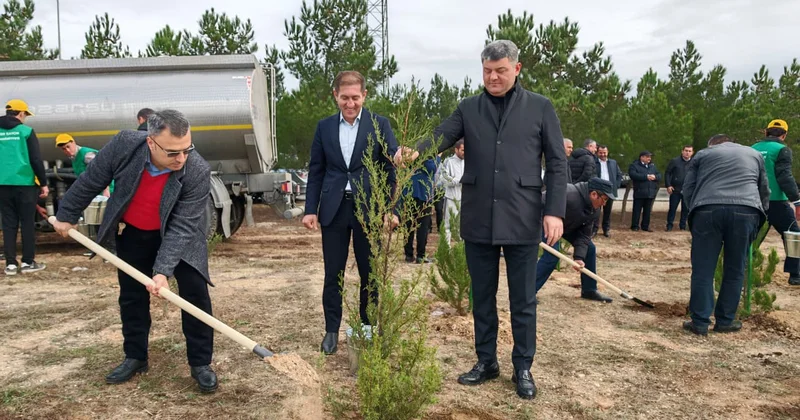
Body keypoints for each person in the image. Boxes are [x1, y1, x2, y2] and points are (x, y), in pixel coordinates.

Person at [397, 39, 567, 400]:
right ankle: (486, 361)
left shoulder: (540, 107)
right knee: (483, 297)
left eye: (500, 71)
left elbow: (556, 163)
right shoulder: (469, 108)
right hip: (479, 218)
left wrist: (554, 211)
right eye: (487, 71)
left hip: (523, 217)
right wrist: (415, 149)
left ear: (516, 69)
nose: (493, 77)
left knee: (523, 300)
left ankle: (523, 367)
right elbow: (441, 136)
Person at [51, 110, 219, 393]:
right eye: (173, 152)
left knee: (195, 295)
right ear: (151, 142)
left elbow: (182, 226)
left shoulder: (197, 169)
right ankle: (135, 356)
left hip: (182, 239)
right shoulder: (125, 145)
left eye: (186, 149)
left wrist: (163, 271)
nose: (181, 158)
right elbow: (92, 180)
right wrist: (66, 214)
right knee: (131, 296)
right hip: (136, 232)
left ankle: (200, 363)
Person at [303, 70, 399, 355]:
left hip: (368, 210)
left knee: (369, 274)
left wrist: (389, 209)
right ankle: (331, 331)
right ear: (336, 96)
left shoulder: (379, 124)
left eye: (355, 97)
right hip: (333, 210)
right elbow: (316, 170)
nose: (350, 103)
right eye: (344, 98)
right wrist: (310, 209)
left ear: (364, 96)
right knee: (333, 273)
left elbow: (391, 168)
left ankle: (366, 331)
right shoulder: (324, 127)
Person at [682, 134, 769, 335]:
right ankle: (725, 321)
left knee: (703, 270)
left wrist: (694, 210)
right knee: (735, 268)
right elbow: (764, 189)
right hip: (746, 212)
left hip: (707, 211)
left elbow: (688, 188)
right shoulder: (754, 155)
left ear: (712, 145)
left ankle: (700, 323)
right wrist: (760, 213)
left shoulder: (703, 154)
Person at [535, 178, 615, 303]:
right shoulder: (567, 194)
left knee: (589, 248)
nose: (604, 203)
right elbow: (537, 203)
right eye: (604, 199)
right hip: (543, 221)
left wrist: (579, 257)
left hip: (566, 226)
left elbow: (584, 235)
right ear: (594, 194)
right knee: (552, 254)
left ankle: (589, 290)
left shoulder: (594, 209)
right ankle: (528, 292)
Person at [0, 99, 48, 276]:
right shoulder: (26, 131)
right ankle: (28, 262)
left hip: (2, 184)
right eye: (25, 115)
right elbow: (35, 159)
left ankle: (11, 264)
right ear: (20, 113)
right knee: (27, 222)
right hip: (25, 183)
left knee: (8, 222)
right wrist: (43, 183)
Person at [751, 119, 800, 286]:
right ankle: (795, 275)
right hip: (776, 202)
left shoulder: (753, 149)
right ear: (784, 135)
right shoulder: (782, 150)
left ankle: (745, 271)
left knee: (751, 237)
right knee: (793, 235)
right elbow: (785, 177)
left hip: (754, 201)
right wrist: (797, 200)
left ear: (766, 132)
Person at [404, 158, 437, 263]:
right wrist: (438, 158)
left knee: (409, 225)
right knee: (422, 226)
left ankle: (408, 255)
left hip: (409, 191)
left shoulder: (410, 153)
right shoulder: (427, 154)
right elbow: (432, 169)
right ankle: (420, 255)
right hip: (423, 193)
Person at [438, 139, 465, 243]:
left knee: (461, 226)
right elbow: (443, 178)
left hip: (463, 198)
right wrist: (456, 181)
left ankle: (460, 251)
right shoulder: (448, 161)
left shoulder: (467, 162)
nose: (464, 152)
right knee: (447, 226)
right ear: (456, 149)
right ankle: (447, 250)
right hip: (451, 197)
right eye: (462, 150)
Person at [629, 151, 661, 232]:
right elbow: (633, 175)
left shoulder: (652, 166)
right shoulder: (634, 165)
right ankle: (635, 226)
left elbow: (659, 175)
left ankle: (645, 226)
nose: (649, 158)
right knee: (637, 210)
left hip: (650, 192)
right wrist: (646, 177)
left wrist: (655, 177)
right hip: (639, 192)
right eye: (647, 157)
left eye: (650, 157)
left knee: (647, 211)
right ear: (641, 157)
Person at [664, 145, 694, 231]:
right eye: (686, 150)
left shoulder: (694, 162)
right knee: (672, 208)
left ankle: (682, 226)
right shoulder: (675, 161)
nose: (687, 153)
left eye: (689, 151)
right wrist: (668, 185)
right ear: (682, 151)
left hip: (687, 190)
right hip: (675, 189)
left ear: (692, 152)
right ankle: (669, 225)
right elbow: (667, 173)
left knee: (685, 209)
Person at [595, 145, 622, 237]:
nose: (603, 154)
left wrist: (616, 185)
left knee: (608, 211)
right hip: (598, 190)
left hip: (610, 191)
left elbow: (619, 175)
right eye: (601, 152)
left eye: (604, 152)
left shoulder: (613, 162)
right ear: (597, 153)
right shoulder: (594, 162)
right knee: (596, 211)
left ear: (607, 152)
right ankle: (594, 230)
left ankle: (606, 230)